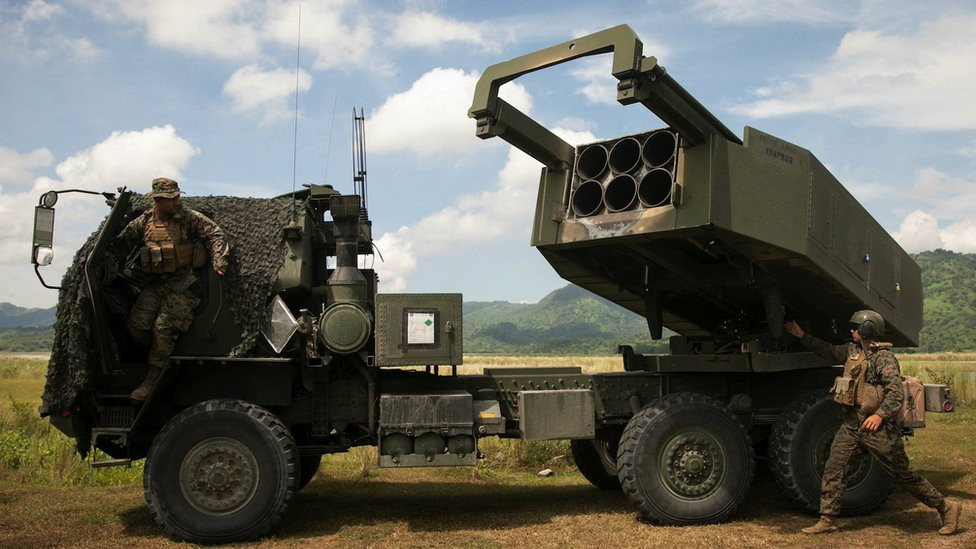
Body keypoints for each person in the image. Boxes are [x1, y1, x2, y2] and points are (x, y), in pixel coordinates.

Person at [784, 311, 961, 535]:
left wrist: (879, 416)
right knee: (834, 468)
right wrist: (801, 335)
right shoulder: (852, 351)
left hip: (879, 429)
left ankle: (946, 508)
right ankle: (827, 519)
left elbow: (895, 394)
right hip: (852, 424)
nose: (852, 331)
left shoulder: (883, 358)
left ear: (867, 330)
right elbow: (827, 350)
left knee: (903, 475)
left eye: (856, 327)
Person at [109, 178, 229, 401]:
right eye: (170, 198)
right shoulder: (144, 222)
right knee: (137, 326)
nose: (176, 201)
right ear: (158, 200)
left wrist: (218, 259)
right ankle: (160, 355)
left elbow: (214, 233)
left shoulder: (188, 218)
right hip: (154, 285)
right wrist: (107, 261)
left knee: (163, 328)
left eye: (177, 196)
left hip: (183, 285)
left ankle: (153, 378)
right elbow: (121, 244)